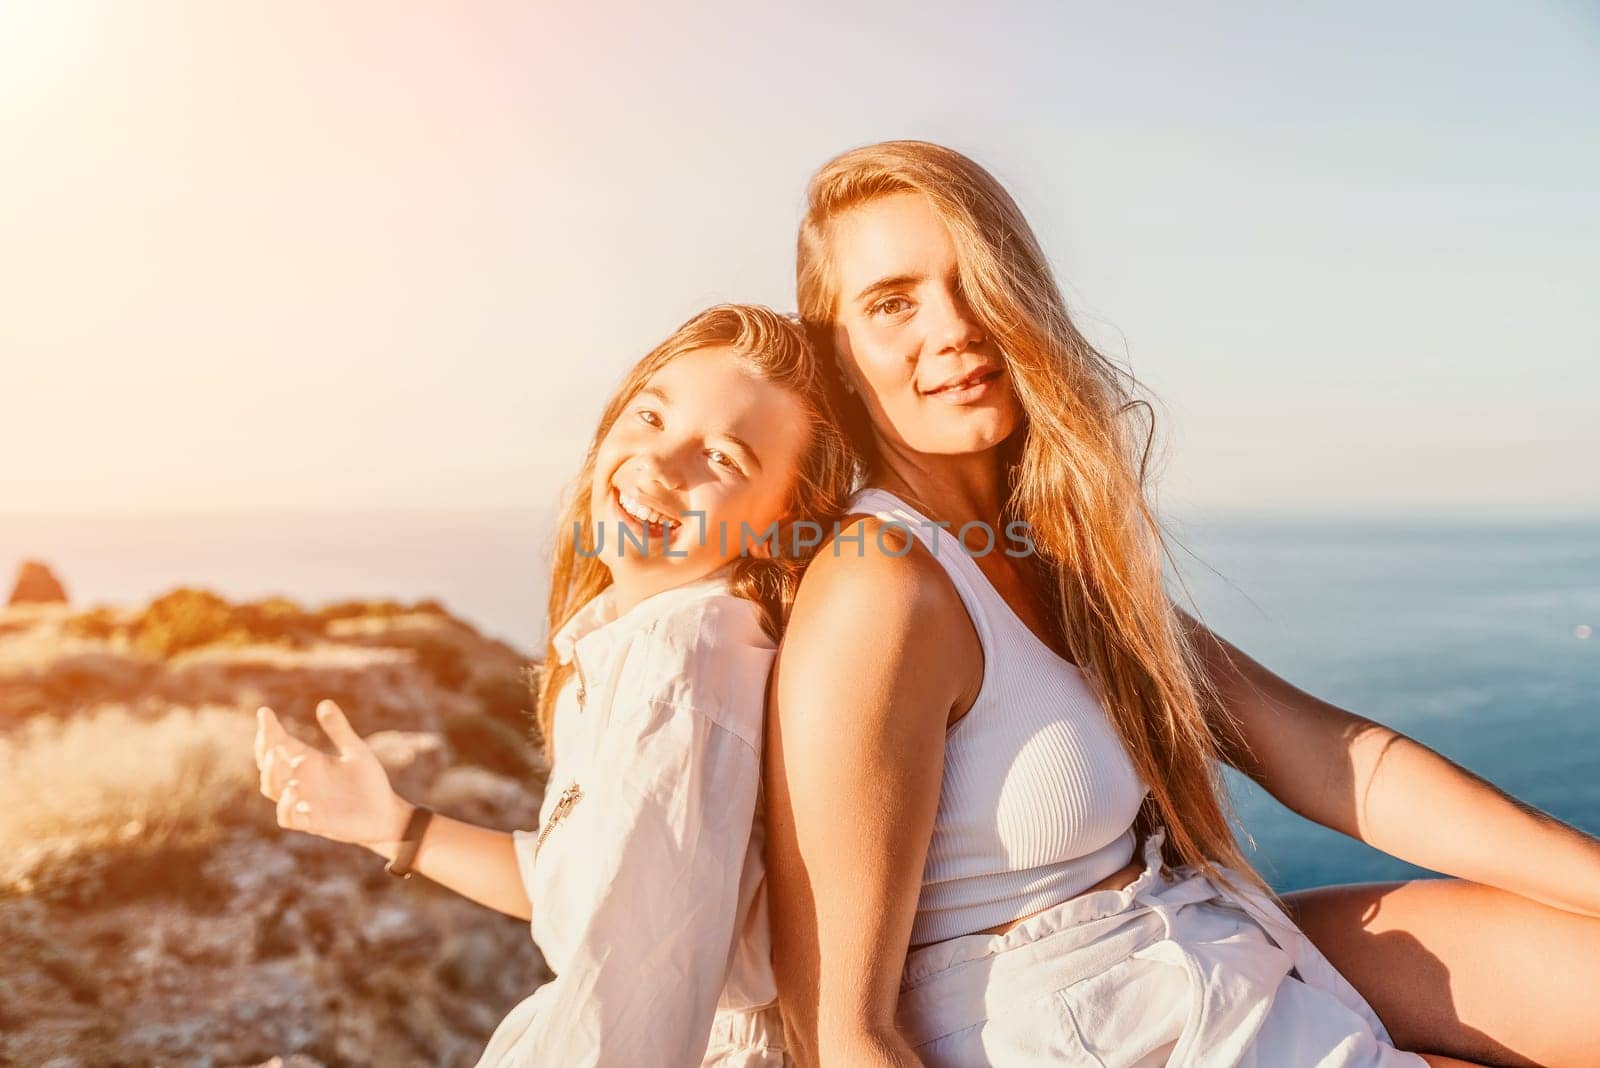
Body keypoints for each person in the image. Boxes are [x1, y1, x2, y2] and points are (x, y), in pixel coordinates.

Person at [762, 141, 1600, 1067]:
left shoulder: (1043, 557)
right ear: (835, 355)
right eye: (892, 303)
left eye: (976, 279)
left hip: (1190, 959)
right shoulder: (879, 587)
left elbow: (1330, 759)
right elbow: (838, 1033)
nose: (956, 326)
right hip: (1090, 1027)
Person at [254, 304, 855, 1066]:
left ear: (782, 521)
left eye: (723, 459)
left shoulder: (682, 659)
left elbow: (634, 989)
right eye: (650, 417)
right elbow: (597, 894)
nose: (659, 467)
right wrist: (393, 825)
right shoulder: (639, 638)